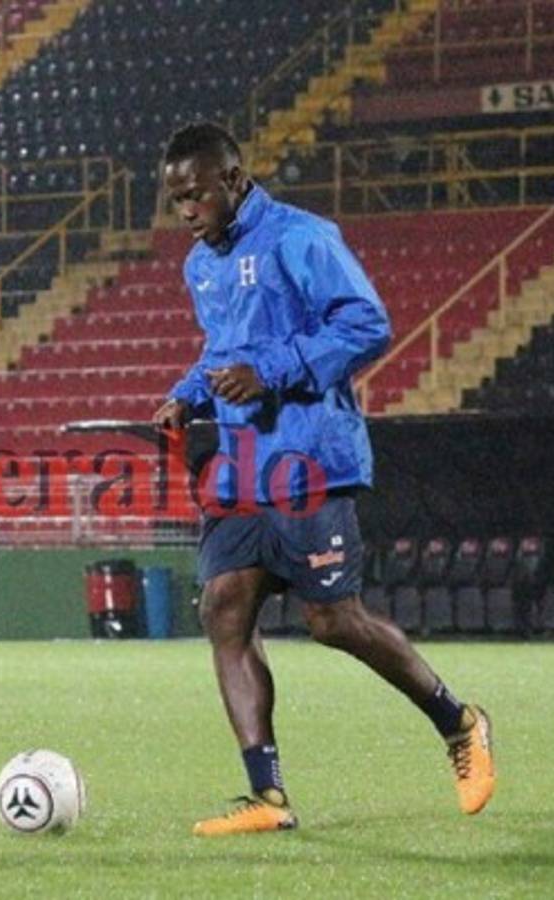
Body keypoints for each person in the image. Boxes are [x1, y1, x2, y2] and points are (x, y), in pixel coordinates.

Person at [152, 122, 495, 836]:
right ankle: (266, 796)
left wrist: (270, 372)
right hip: (242, 466)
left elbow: (366, 324)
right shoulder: (199, 265)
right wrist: (188, 390)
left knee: (332, 621)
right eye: (175, 198)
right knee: (223, 608)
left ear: (234, 180)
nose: (185, 209)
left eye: (195, 194)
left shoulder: (300, 237)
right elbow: (223, 348)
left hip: (308, 457)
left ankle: (458, 722)